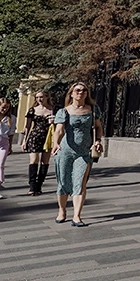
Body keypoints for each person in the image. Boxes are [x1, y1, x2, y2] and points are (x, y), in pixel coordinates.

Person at [52, 82, 103, 226]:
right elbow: (59, 130)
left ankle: (77, 216)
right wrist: (55, 143)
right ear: (72, 94)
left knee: (80, 182)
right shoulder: (64, 111)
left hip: (84, 152)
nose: (81, 92)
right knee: (63, 182)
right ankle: (62, 211)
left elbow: (98, 127)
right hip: (65, 151)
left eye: (84, 90)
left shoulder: (93, 110)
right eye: (78, 90)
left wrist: (98, 141)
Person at [22, 91, 54, 195]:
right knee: (34, 160)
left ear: (47, 97)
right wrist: (24, 141)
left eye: (41, 97)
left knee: (45, 162)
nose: (39, 99)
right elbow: (27, 126)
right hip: (35, 137)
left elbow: (60, 124)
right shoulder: (32, 110)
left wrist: (53, 122)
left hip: (48, 137)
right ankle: (32, 186)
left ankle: (39, 185)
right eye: (37, 97)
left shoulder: (53, 109)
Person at [0, 97, 14, 193]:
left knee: (0, 164)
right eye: (3, 107)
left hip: (4, 143)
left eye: (7, 107)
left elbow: (11, 133)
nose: (5, 109)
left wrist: (10, 146)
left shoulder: (11, 118)